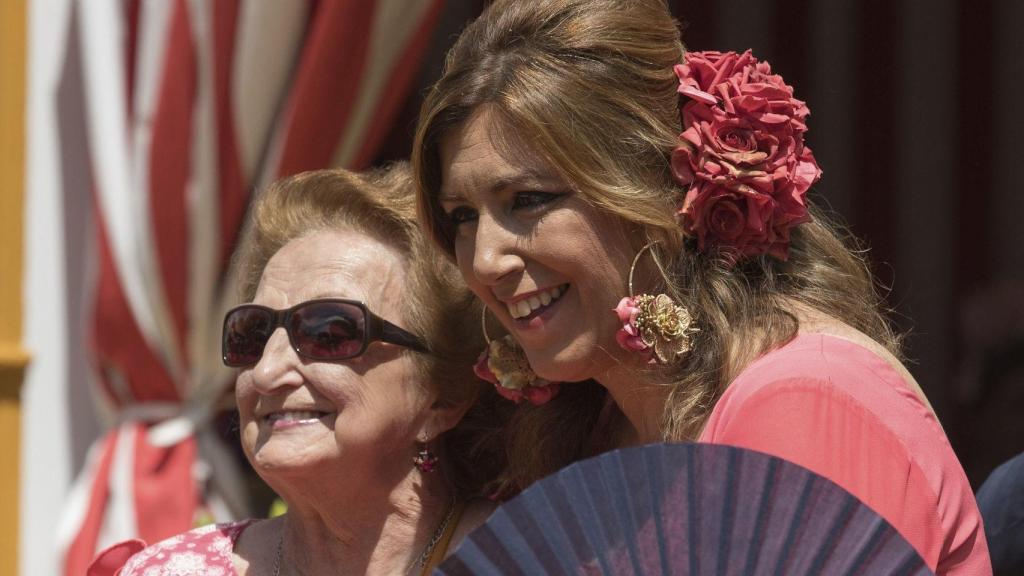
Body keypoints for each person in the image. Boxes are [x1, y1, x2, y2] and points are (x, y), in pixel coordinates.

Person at [411, 0, 991, 573]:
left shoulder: (802, 401)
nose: (484, 260)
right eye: (462, 216)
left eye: (528, 201)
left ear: (661, 189)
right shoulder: (593, 423)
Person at [89, 165, 502, 575]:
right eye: (251, 334)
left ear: (443, 398)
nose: (267, 372)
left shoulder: (532, 557)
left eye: (329, 331)